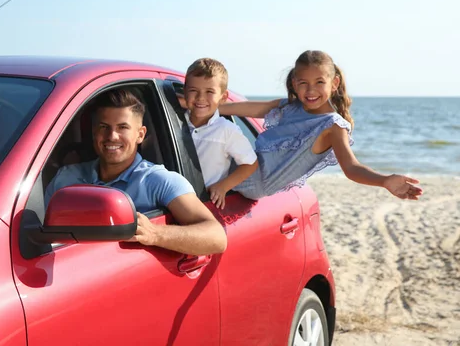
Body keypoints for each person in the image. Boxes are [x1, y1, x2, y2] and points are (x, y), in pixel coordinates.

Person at [219, 50, 423, 200]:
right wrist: (202, 105)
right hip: (244, 171)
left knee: (220, 135)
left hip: (254, 181)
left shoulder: (332, 126)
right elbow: (236, 108)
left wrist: (384, 180)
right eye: (303, 83)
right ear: (294, 84)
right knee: (214, 131)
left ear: (333, 84)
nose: (310, 90)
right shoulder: (288, 107)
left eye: (319, 82)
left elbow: (352, 167)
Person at [44, 88, 227, 256]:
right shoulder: (66, 177)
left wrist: (155, 233)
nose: (112, 136)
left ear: (140, 134)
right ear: (94, 132)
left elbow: (216, 237)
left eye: (122, 127)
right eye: (103, 127)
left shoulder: (158, 180)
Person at [182, 58, 258, 209]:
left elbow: (250, 164)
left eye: (209, 92)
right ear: (184, 91)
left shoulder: (227, 130)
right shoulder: (176, 120)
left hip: (204, 203)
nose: (200, 98)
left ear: (223, 97)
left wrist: (223, 186)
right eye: (193, 91)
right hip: (176, 200)